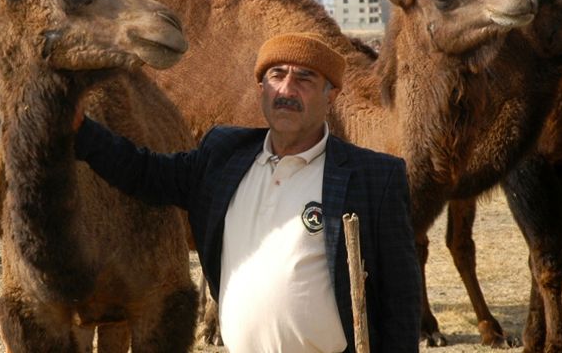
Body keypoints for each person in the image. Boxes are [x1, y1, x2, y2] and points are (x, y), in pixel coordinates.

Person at [74, 32, 420, 353]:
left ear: (332, 95)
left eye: (305, 78)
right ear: (261, 88)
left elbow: (401, 301)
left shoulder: (373, 177)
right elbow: (144, 172)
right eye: (276, 75)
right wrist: (82, 130)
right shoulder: (224, 156)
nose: (287, 89)